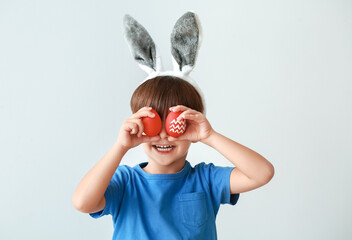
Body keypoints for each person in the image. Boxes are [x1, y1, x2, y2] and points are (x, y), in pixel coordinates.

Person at [72, 76, 275, 240]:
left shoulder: (206, 179)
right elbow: (82, 203)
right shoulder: (126, 182)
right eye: (153, 123)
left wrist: (209, 136)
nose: (162, 135)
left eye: (170, 125)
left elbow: (262, 173)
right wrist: (120, 146)